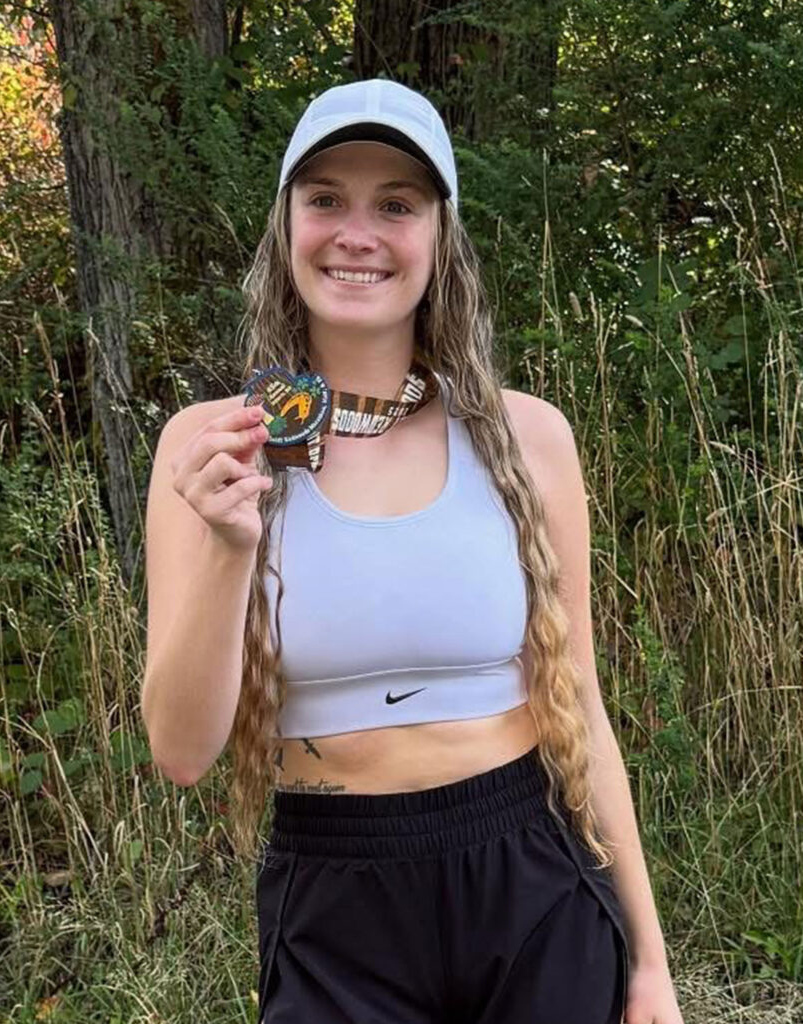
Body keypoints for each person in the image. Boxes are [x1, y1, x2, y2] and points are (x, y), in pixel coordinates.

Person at [142, 79, 682, 1024]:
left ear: (440, 239)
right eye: (326, 199)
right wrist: (232, 547)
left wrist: (650, 964)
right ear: (286, 228)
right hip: (334, 899)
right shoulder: (212, 449)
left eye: (396, 204)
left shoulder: (526, 438)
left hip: (533, 878)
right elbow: (183, 754)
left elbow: (582, 704)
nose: (358, 233)